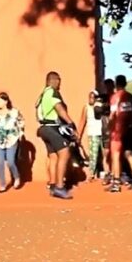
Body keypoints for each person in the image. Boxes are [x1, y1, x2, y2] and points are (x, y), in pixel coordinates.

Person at [36, 71, 77, 199]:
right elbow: (59, 108)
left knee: (53, 156)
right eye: (59, 80)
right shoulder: (52, 92)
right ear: (54, 80)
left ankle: (53, 185)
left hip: (43, 128)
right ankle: (59, 187)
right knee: (64, 152)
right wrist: (71, 124)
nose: (60, 84)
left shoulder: (42, 94)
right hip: (51, 128)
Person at [107, 74, 132, 192]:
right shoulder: (130, 97)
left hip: (117, 130)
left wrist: (110, 128)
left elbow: (112, 115)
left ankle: (116, 182)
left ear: (116, 84)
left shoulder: (115, 97)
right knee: (129, 153)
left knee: (115, 155)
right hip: (129, 129)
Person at [0, 92, 25, 192]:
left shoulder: (14, 112)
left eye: (0, 101)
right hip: (0, 140)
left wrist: (20, 134)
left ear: (6, 101)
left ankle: (17, 177)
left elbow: (21, 122)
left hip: (12, 139)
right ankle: (2, 185)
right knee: (0, 162)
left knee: (10, 161)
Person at [78, 90, 103, 181]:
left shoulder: (100, 106)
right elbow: (82, 121)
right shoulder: (86, 107)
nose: (91, 99)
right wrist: (78, 136)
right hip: (92, 133)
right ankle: (92, 174)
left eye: (93, 97)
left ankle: (106, 173)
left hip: (102, 133)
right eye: (90, 97)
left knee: (104, 154)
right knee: (93, 155)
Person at [100, 79, 114, 185]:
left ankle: (114, 174)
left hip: (115, 128)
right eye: (107, 86)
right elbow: (97, 111)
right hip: (105, 127)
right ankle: (107, 173)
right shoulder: (102, 98)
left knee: (115, 153)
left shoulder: (116, 97)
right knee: (106, 153)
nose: (108, 88)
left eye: (110, 85)